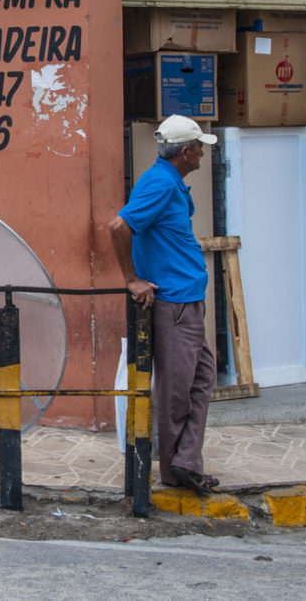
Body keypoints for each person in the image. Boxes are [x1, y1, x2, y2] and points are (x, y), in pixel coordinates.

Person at [107, 114, 218, 495]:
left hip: (185, 298)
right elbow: (119, 227)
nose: (202, 155)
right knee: (177, 391)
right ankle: (176, 468)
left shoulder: (168, 180)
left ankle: (184, 460)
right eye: (199, 148)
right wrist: (132, 280)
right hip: (174, 303)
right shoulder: (159, 182)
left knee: (201, 378)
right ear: (186, 151)